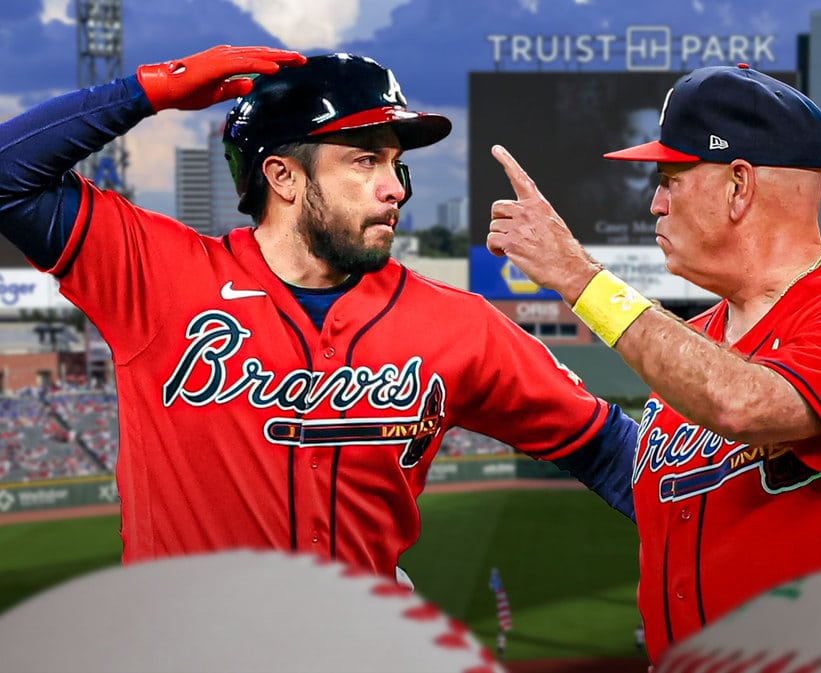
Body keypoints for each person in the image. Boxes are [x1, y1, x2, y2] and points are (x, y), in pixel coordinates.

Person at [0, 46, 638, 579]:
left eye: (396, 163)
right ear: (282, 177)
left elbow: (612, 452)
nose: (396, 188)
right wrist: (150, 89)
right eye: (365, 160)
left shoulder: (460, 325)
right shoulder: (157, 278)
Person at [486, 63, 821, 662]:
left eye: (672, 177)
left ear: (738, 185)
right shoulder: (693, 341)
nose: (654, 202)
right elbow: (677, 487)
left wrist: (576, 275)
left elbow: (741, 403)